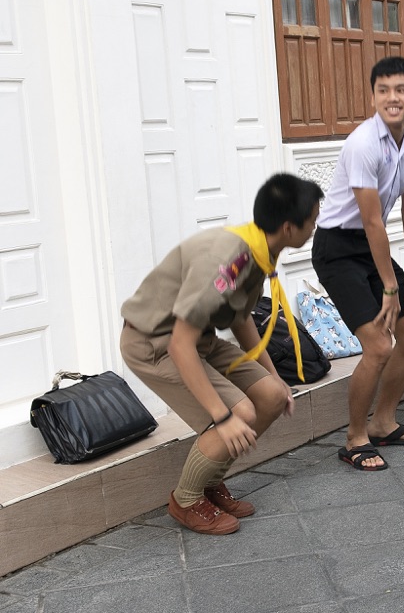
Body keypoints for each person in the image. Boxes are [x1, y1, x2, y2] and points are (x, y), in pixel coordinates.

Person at [121, 173, 323, 535]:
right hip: (154, 343)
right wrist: (222, 415)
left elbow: (242, 316)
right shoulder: (230, 259)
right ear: (290, 227)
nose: (315, 227)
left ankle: (207, 478)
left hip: (199, 339)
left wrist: (275, 378)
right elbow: (178, 344)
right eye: (312, 221)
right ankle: (186, 499)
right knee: (238, 412)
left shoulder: (258, 248)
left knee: (272, 397)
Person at [311, 56, 404, 472]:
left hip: (370, 246)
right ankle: (354, 438)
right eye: (383, 90)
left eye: (400, 90)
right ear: (374, 96)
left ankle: (384, 422)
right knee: (379, 345)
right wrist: (391, 287)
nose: (392, 98)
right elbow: (371, 218)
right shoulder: (363, 143)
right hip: (339, 248)